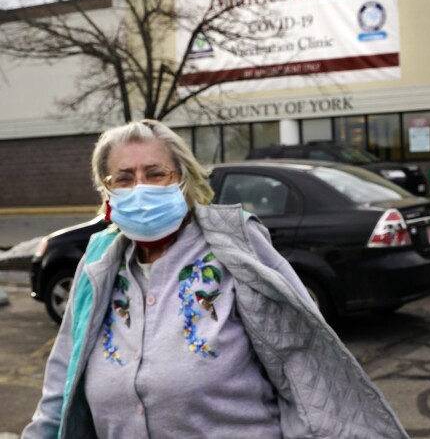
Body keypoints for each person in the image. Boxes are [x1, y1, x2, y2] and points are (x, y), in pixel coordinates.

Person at [23, 120, 407, 439]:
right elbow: (61, 384)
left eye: (155, 173)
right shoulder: (98, 264)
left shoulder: (234, 245)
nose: (140, 187)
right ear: (107, 192)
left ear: (183, 180)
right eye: (123, 178)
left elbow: (302, 366)